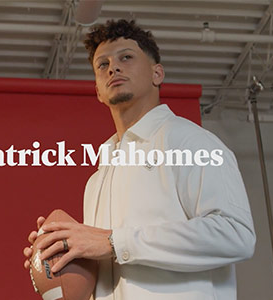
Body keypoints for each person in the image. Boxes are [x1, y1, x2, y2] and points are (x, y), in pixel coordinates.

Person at [23, 19, 255, 300]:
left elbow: (235, 234)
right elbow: (115, 265)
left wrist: (112, 241)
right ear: (97, 91)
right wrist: (62, 261)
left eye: (126, 57)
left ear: (157, 73)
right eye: (102, 65)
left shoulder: (191, 141)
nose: (113, 68)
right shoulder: (98, 179)